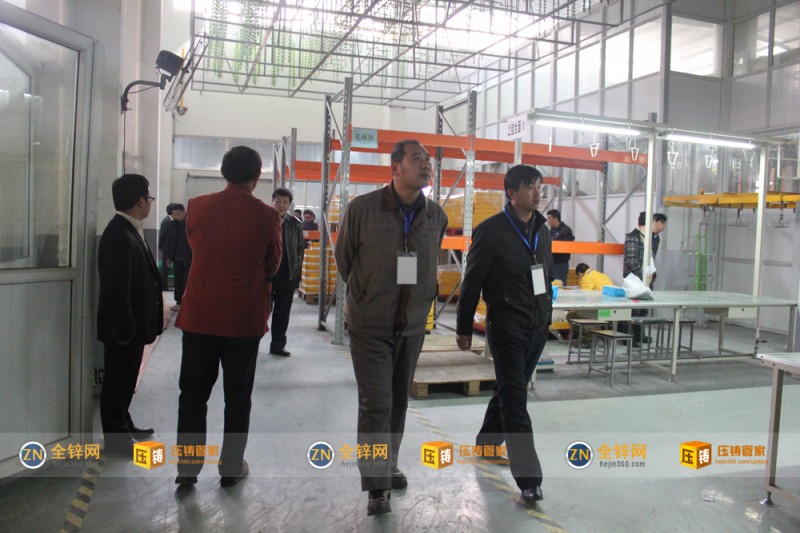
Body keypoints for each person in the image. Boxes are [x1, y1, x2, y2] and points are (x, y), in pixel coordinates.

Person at [334, 140, 447, 516]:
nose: (426, 165)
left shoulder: (436, 215)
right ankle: (376, 485)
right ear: (395, 168)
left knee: (398, 401)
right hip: (371, 325)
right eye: (417, 159)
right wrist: (369, 296)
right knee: (375, 404)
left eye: (428, 160)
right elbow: (345, 259)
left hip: (412, 326)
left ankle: (388, 464)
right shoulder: (363, 209)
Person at [174, 146, 282, 488]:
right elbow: (273, 266)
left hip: (199, 316)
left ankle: (188, 468)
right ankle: (231, 467)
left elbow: (196, 248)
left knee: (193, 394)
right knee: (237, 397)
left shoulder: (197, 206)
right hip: (242, 320)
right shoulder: (267, 216)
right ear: (257, 175)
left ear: (223, 172)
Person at [456, 164, 552, 505]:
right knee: (515, 399)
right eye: (530, 187)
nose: (537, 193)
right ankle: (529, 479)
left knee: (510, 389)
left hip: (537, 326)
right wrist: (464, 327)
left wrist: (546, 316)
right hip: (507, 326)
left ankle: (486, 443)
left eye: (539, 186)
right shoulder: (491, 231)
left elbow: (544, 277)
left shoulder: (542, 229)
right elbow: (472, 282)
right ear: (511, 193)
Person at [97, 174, 163, 455]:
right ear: (140, 201)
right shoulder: (119, 235)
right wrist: (124, 330)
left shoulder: (130, 229)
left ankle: (124, 423)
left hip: (132, 327)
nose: (149, 203)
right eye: (149, 198)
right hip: (123, 329)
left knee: (126, 381)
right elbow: (116, 289)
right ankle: (117, 440)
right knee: (116, 382)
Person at [268, 188, 304, 356]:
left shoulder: (296, 224)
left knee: (282, 312)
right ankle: (252, 343)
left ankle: (277, 345)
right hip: (266, 275)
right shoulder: (264, 220)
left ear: (289, 205)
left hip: (286, 274)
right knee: (261, 311)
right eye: (278, 201)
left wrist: (296, 275)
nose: (281, 205)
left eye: (285, 202)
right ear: (272, 201)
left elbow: (300, 250)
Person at [622, 212, 668, 345]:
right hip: (635, 280)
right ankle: (628, 337)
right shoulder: (633, 238)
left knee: (643, 309)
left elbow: (651, 258)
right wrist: (643, 276)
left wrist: (652, 274)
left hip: (646, 279)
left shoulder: (652, 238)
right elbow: (631, 261)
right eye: (654, 221)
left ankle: (639, 334)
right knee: (633, 310)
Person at [162, 203, 192, 311]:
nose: (177, 217)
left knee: (187, 281)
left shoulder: (190, 223)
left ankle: (187, 303)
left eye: (179, 214)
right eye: (174, 215)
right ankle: (178, 302)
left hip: (189, 258)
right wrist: (169, 257)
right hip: (177, 258)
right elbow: (170, 242)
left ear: (184, 212)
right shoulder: (173, 224)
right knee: (178, 280)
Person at [545, 209, 574, 286]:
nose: (548, 221)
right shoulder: (550, 231)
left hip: (560, 264)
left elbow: (567, 247)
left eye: (549, 218)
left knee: (560, 285)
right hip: (551, 263)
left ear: (556, 219)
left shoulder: (566, 231)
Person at [158, 203, 175, 288]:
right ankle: (163, 286)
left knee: (166, 268)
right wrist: (161, 246)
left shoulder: (168, 220)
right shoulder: (167, 221)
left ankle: (164, 286)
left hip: (167, 248)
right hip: (166, 249)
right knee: (165, 269)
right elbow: (163, 236)